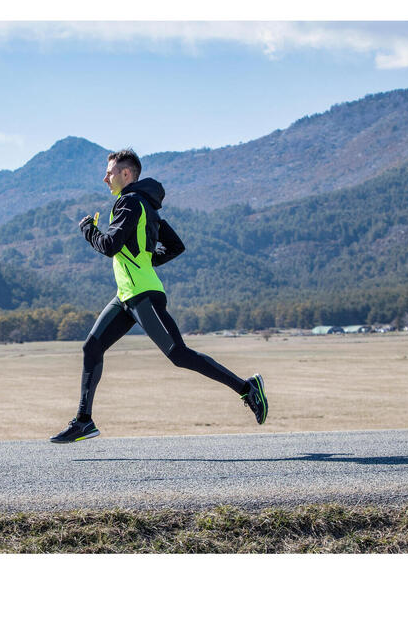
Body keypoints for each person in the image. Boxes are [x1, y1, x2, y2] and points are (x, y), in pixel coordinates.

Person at [50, 147, 268, 443]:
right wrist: (146, 259)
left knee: (179, 354)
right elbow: (175, 246)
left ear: (126, 174)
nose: (105, 178)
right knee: (91, 347)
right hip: (126, 296)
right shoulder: (145, 206)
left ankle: (247, 388)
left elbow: (110, 245)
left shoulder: (129, 203)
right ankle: (83, 421)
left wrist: (90, 231)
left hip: (142, 295)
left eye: (110, 172)